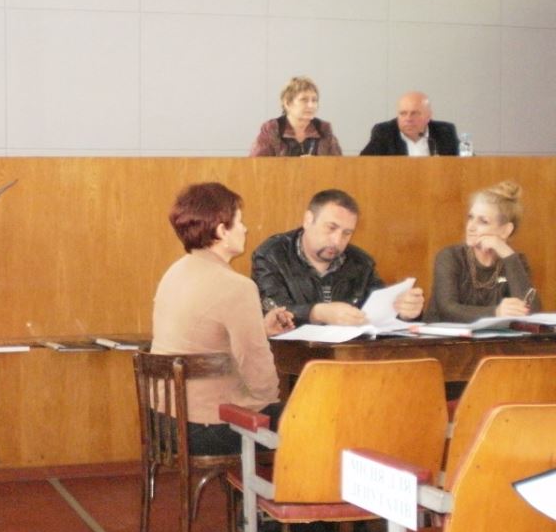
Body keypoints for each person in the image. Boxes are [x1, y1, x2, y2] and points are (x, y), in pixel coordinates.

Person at [151, 182, 292, 456]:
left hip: (163, 420)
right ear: (221, 231)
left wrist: (259, 329)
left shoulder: (174, 272)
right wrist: (268, 405)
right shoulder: (237, 287)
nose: (246, 229)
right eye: (240, 222)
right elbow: (259, 372)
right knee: (311, 418)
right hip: (207, 427)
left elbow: (200, 337)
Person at [252, 189, 424, 326]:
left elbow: (378, 310)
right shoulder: (271, 255)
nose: (337, 240)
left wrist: (404, 312)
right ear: (308, 220)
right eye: (331, 228)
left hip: (349, 355)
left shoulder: (361, 263)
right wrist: (317, 313)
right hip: (291, 355)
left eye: (347, 233)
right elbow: (273, 311)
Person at [425, 180, 541, 322]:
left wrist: (507, 253)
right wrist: (496, 312)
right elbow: (447, 309)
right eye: (471, 218)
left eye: (483, 221)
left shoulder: (515, 262)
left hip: (493, 337)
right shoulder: (450, 256)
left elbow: (531, 312)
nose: (471, 227)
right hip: (440, 335)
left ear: (505, 230)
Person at [249, 77, 343, 156]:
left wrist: (316, 164)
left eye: (314, 100)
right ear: (287, 103)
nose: (311, 105)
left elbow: (338, 165)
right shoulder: (272, 128)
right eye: (304, 100)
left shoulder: (323, 128)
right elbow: (256, 166)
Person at [360, 91, 460, 156]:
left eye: (415, 113)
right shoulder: (384, 132)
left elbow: (464, 164)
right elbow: (364, 164)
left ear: (428, 116)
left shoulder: (444, 132)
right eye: (403, 113)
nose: (408, 119)